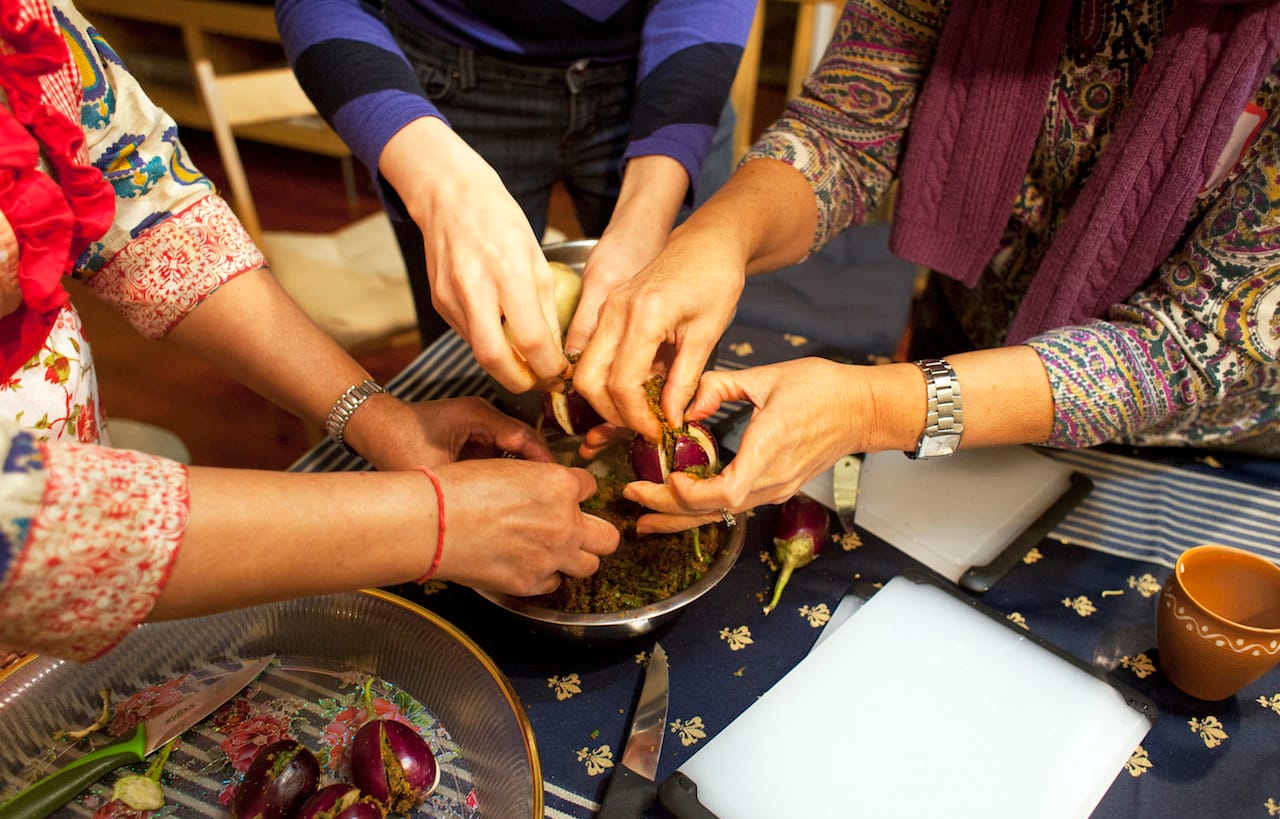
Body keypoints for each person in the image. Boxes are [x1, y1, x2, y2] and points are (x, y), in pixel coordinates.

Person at [0, 0, 619, 663]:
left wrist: (381, 421)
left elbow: (150, 211)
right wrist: (430, 523)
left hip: (98, 597)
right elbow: (24, 522)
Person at [571, 0, 1280, 532]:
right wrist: (718, 235)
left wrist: (871, 409)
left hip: (1186, 460)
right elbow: (848, 123)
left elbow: (1190, 342)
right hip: (963, 361)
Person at [274, 0, 755, 394]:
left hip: (675, 74)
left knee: (674, 370)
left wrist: (648, 216)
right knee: (479, 377)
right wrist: (440, 185)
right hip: (450, 82)